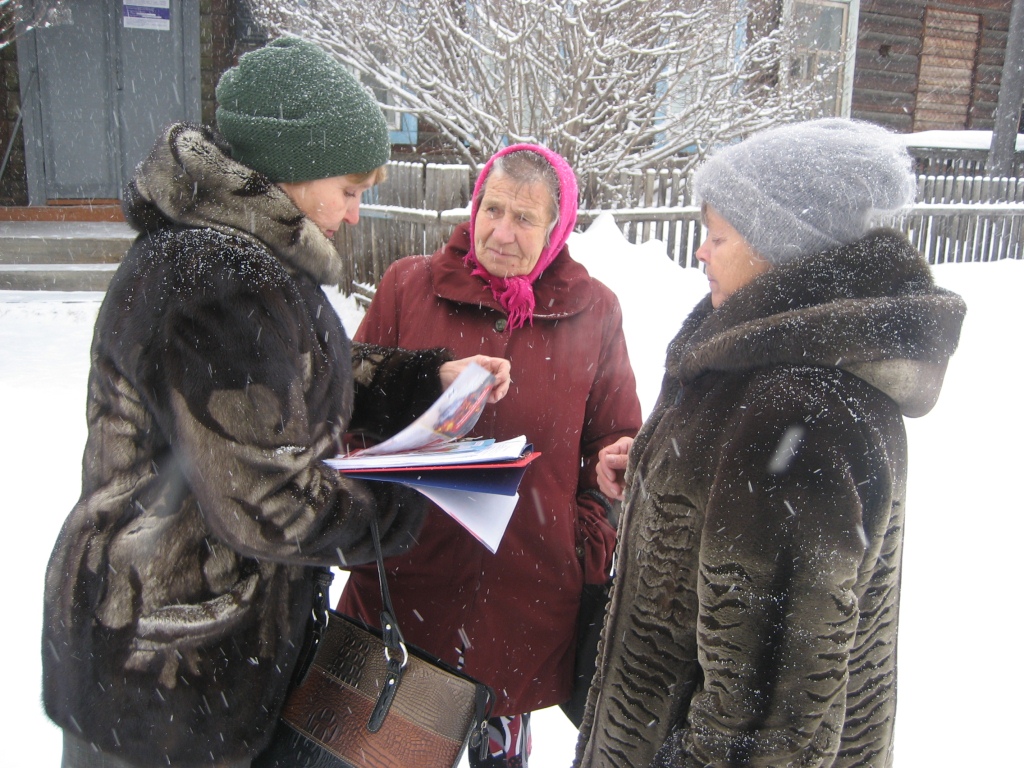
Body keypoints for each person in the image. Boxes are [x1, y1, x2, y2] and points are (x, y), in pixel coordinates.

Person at [41, 37, 509, 768]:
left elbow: (282, 381)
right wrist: (411, 494)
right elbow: (270, 502)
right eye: (350, 191)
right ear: (291, 173)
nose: (356, 214)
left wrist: (422, 380)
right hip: (166, 670)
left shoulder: (237, 262)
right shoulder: (215, 281)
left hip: (190, 652)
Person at [575, 118, 967, 767]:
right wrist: (653, 469)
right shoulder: (779, 377)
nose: (701, 252)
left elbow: (764, 727)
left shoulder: (799, 415)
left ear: (782, 245)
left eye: (718, 235)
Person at [335, 143, 642, 766]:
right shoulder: (409, 288)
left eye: (525, 219)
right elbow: (348, 410)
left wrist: (578, 541)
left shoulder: (595, 311)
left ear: (557, 230)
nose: (501, 232)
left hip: (524, 598)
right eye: (491, 209)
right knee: (382, 752)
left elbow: (613, 446)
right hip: (405, 585)